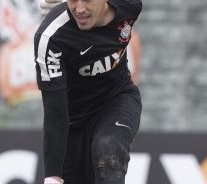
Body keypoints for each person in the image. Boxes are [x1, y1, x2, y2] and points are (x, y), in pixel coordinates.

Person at [34, 0, 142, 183]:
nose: (80, 9)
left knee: (109, 150)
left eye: (88, 0)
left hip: (117, 99)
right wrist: (52, 177)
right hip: (72, 120)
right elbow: (55, 111)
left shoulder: (130, 5)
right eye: (74, 0)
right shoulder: (51, 36)